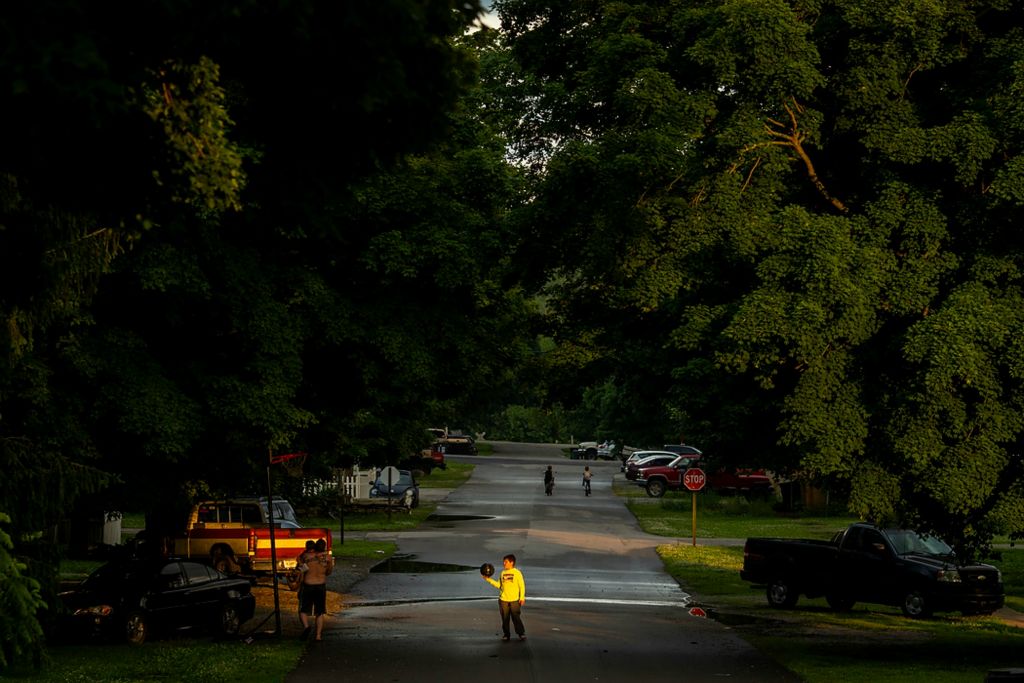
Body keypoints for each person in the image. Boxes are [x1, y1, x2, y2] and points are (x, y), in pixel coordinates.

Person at [482, 554, 526, 641]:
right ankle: (506, 634)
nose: (504, 563)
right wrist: (488, 579)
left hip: (514, 600)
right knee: (505, 618)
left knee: (516, 617)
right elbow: (499, 585)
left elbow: (522, 586)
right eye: (504, 562)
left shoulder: (517, 573)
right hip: (503, 600)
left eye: (506, 562)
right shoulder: (503, 573)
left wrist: (522, 597)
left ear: (511, 562)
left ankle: (521, 633)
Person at [298, 538, 334, 641]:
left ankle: (306, 626)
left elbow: (301, 569)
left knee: (303, 610)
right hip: (321, 586)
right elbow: (328, 572)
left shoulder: (306, 557)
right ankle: (318, 636)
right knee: (320, 612)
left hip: (308, 585)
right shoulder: (328, 558)